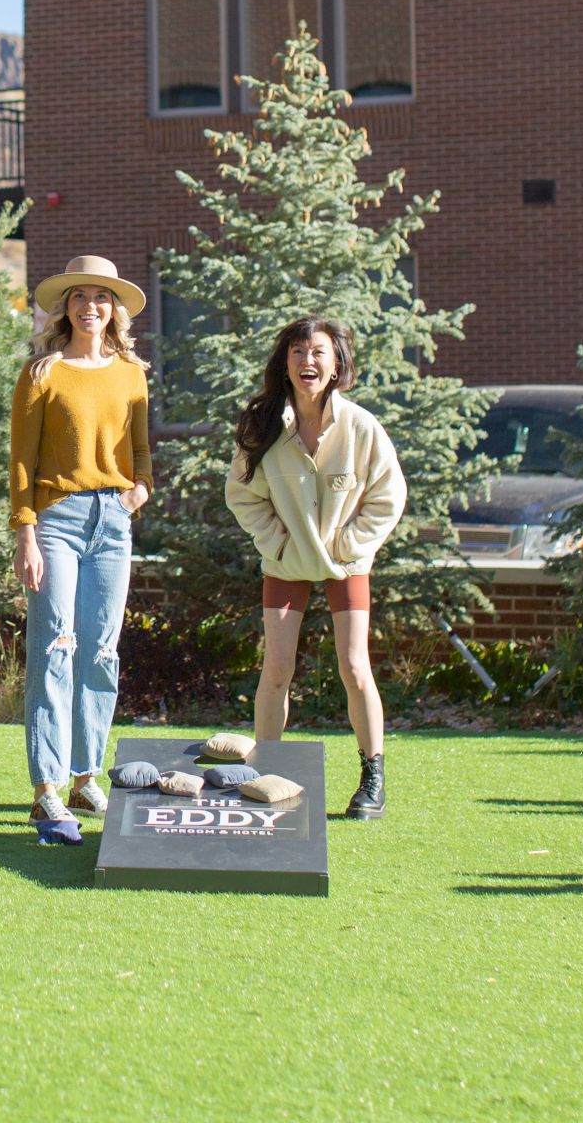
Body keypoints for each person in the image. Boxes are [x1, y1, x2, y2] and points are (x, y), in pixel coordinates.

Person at [225, 318, 405, 820]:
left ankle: (373, 776)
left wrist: (348, 545)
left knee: (353, 666)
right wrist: (277, 543)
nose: (308, 361)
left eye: (319, 352)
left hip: (347, 566)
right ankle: (266, 772)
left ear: (337, 363)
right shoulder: (262, 427)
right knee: (276, 668)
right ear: (285, 362)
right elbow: (242, 494)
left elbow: (388, 497)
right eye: (299, 351)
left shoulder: (361, 427)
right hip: (285, 563)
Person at [9, 255, 152, 825]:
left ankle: (85, 778)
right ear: (64, 308)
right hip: (56, 521)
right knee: (55, 647)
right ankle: (47, 787)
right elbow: (21, 462)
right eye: (78, 297)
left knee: (100, 651)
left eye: (100, 297)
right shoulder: (42, 373)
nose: (89, 306)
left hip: (113, 523)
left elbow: (139, 449)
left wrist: (139, 489)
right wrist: (26, 532)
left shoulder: (131, 372)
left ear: (113, 308)